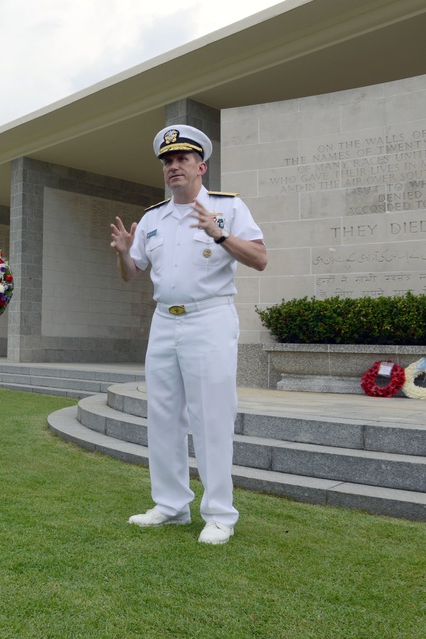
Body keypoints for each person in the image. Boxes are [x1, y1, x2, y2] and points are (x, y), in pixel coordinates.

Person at [110, 125, 268, 545]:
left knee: (211, 416)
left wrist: (219, 233)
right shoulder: (153, 218)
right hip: (165, 321)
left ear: (202, 166)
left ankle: (219, 514)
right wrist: (126, 253)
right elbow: (132, 275)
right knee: (163, 415)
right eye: (167, 161)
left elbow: (260, 259)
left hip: (209, 318)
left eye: (181, 159)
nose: (173, 166)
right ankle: (171, 506)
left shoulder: (228, 208)